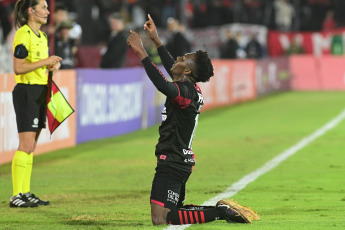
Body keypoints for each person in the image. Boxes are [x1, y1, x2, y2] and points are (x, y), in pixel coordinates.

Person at [127, 14, 259, 226]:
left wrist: (142, 52)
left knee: (160, 218)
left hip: (173, 161)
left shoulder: (184, 92)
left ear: (187, 70)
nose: (177, 59)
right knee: (173, 212)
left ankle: (221, 213)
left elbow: (164, 86)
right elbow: (172, 70)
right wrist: (156, 40)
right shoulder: (189, 88)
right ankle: (221, 210)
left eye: (182, 59)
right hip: (179, 159)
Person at [10, 0, 62, 208]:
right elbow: (18, 67)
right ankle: (16, 195)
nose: (48, 12)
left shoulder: (41, 37)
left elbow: (37, 65)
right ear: (31, 11)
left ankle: (25, 191)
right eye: (43, 8)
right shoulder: (23, 34)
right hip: (27, 92)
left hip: (41, 91)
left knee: (31, 146)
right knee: (25, 145)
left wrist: (51, 67)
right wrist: (46, 62)